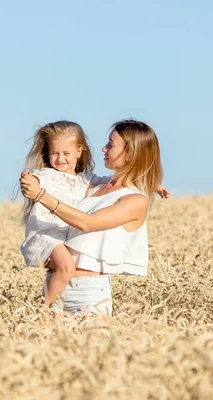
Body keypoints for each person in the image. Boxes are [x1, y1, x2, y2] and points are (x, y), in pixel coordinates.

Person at [20, 119, 165, 316]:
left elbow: (87, 223)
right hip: (57, 287)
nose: (103, 149)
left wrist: (40, 195)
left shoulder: (135, 200)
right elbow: (60, 182)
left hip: (89, 294)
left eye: (111, 145)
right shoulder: (91, 186)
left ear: (130, 154)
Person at [20, 121, 111, 306]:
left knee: (66, 267)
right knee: (67, 267)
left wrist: (149, 182)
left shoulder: (87, 180)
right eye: (54, 153)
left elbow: (115, 182)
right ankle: (43, 308)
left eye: (66, 153)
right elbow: (37, 180)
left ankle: (54, 305)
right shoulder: (47, 175)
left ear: (79, 151)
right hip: (46, 235)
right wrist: (29, 180)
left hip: (66, 238)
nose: (60, 158)